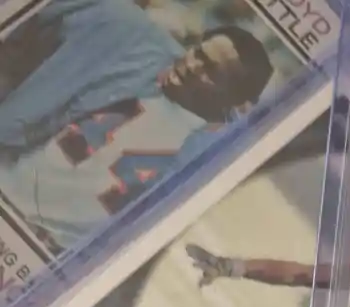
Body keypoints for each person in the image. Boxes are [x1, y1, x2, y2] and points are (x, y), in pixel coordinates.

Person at [0, 0, 274, 248]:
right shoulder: (137, 53)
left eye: (210, 72)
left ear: (234, 100)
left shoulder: (210, 156)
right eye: (198, 54)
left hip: (50, 247)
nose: (193, 66)